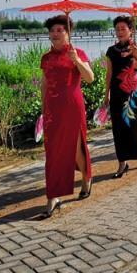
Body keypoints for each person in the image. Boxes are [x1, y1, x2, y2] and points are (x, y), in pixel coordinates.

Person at [40, 15, 95, 217]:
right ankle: (53, 195)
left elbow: (90, 78)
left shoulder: (77, 53)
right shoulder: (45, 58)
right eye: (52, 30)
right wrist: (42, 110)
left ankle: (86, 178)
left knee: (75, 149)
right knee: (52, 152)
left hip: (73, 107)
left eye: (59, 30)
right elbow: (45, 85)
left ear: (68, 33)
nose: (54, 34)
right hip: (52, 111)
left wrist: (77, 61)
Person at [105, 16, 137, 178]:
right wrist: (106, 94)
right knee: (118, 129)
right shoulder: (112, 51)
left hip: (133, 93)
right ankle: (122, 164)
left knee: (134, 125)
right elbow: (109, 74)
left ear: (131, 30)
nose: (119, 32)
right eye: (117, 29)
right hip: (117, 93)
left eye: (123, 28)